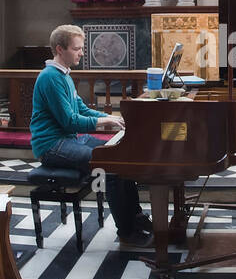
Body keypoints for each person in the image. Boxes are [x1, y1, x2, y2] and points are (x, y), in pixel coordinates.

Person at [30, 24, 151, 245]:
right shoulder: (50, 77)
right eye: (77, 48)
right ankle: (125, 231)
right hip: (52, 145)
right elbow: (69, 121)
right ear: (60, 49)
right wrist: (104, 120)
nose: (82, 53)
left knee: (121, 156)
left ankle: (137, 217)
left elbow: (81, 109)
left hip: (71, 139)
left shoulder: (63, 74)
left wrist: (112, 117)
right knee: (109, 167)